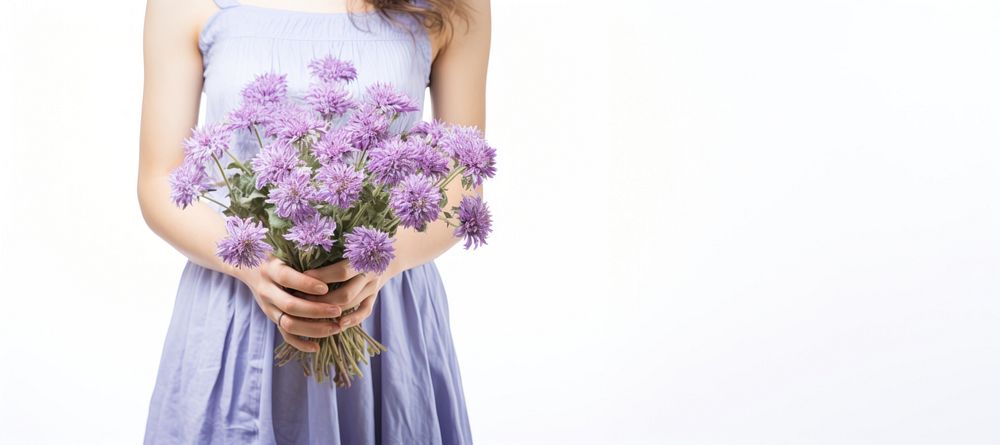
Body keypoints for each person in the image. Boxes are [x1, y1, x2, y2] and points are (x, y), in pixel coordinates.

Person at [136, 0, 490, 443]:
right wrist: (255, 266)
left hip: (383, 306)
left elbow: (464, 180)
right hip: (238, 304)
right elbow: (159, 180)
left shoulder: (456, 5)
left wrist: (379, 260)